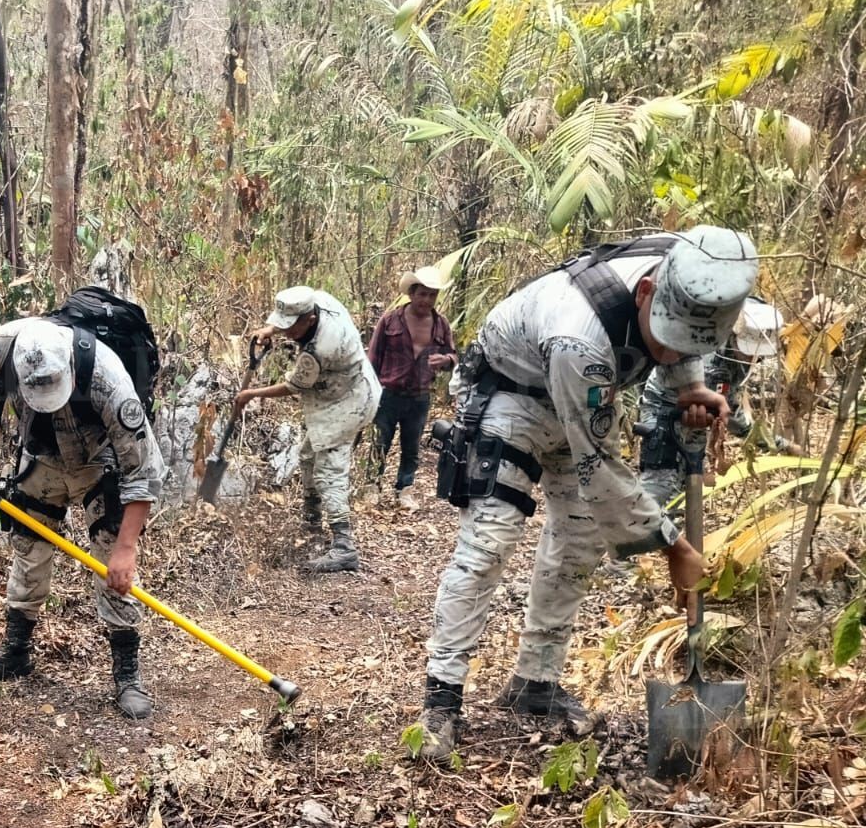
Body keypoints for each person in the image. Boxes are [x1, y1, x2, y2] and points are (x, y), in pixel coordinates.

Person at [416, 227, 759, 763]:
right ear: (646, 293)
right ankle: (442, 696)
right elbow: (601, 468)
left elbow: (677, 349)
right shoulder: (580, 338)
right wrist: (674, 548)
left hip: (584, 401)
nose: (671, 351)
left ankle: (537, 680)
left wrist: (690, 383)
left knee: (579, 541)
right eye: (667, 336)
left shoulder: (689, 259)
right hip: (514, 398)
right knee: (490, 541)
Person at [0, 316, 164, 718]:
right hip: (42, 458)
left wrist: (126, 548)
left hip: (99, 463)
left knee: (111, 565)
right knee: (29, 548)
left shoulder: (107, 378)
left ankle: (127, 674)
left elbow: (143, 470)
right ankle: (16, 652)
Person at [232, 287, 381, 572]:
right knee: (307, 455)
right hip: (334, 395)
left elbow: (293, 386)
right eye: (283, 325)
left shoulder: (322, 348)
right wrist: (270, 329)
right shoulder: (319, 300)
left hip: (349, 402)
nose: (286, 333)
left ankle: (343, 546)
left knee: (329, 469)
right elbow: (289, 322)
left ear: (310, 319)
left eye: (291, 327)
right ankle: (311, 520)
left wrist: (251, 394)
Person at [638, 297, 786, 509]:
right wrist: (778, 444)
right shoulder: (707, 352)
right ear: (734, 333)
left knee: (690, 481)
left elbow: (726, 407)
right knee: (661, 482)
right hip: (665, 406)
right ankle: (640, 532)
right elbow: (730, 414)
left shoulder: (745, 352)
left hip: (700, 416)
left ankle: (675, 530)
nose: (750, 357)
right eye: (747, 350)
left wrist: (778, 444)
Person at [368, 266, 458, 511]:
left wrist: (446, 360)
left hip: (419, 396)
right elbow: (373, 359)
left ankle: (404, 489)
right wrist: (368, 394)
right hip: (388, 393)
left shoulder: (441, 325)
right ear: (411, 293)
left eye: (432, 295)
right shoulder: (390, 320)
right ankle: (371, 487)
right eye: (423, 294)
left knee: (412, 447)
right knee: (380, 442)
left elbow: (453, 355)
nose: (427, 300)